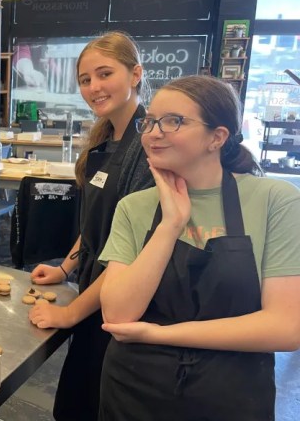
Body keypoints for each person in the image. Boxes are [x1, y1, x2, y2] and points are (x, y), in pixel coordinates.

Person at [98, 75, 300, 420]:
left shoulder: (275, 201)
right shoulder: (134, 207)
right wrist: (170, 224)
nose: (154, 132)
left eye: (173, 121)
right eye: (150, 122)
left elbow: (285, 326)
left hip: (231, 393)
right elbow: (117, 314)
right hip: (134, 389)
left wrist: (160, 334)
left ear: (217, 137)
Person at [27, 32, 154, 421]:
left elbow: (128, 256)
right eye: (85, 79)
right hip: (92, 298)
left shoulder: (148, 148)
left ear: (135, 74)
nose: (94, 87)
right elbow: (95, 224)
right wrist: (66, 266)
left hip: (120, 311)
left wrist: (68, 314)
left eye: (104, 74)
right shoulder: (105, 140)